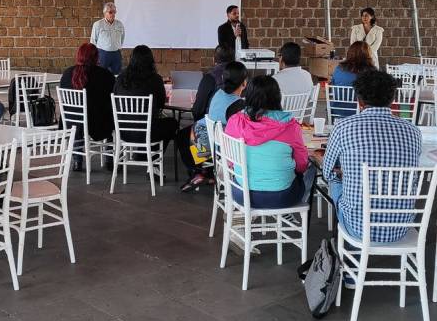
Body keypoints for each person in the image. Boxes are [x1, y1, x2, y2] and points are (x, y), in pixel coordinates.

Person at [321, 70, 422, 244]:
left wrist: (346, 173)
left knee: (335, 180)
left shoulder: (343, 127)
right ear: (392, 99)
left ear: (359, 100)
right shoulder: (413, 131)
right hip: (401, 227)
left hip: (357, 227)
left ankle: (337, 251)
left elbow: (327, 172)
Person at [224, 76, 316, 208]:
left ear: (248, 96)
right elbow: (301, 165)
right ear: (277, 96)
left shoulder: (235, 121)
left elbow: (230, 161)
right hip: (282, 197)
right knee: (311, 168)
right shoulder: (290, 125)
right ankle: (288, 211)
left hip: (242, 194)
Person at [177, 60, 248, 192]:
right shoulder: (238, 105)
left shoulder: (219, 93)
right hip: (214, 146)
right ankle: (207, 174)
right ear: (244, 83)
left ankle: (201, 172)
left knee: (183, 133)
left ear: (223, 78)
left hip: (198, 137)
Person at [60, 43, 116, 171]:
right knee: (110, 117)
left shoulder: (67, 73)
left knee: (79, 122)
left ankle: (77, 161)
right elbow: (112, 98)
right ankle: (109, 159)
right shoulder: (104, 75)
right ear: (96, 57)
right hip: (96, 122)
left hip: (71, 121)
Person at [113, 45, 178, 151]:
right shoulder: (155, 79)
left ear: (131, 59)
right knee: (173, 123)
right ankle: (149, 155)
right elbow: (161, 104)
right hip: (148, 132)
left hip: (123, 131)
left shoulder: (120, 79)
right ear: (150, 61)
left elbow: (115, 100)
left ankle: (142, 154)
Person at [90, 2, 125, 75]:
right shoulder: (98, 24)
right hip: (103, 54)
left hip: (116, 54)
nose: (113, 14)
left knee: (117, 74)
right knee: (101, 74)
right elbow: (93, 40)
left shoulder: (119, 24)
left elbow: (122, 37)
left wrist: (117, 46)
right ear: (105, 13)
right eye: (110, 12)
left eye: (114, 12)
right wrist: (94, 55)